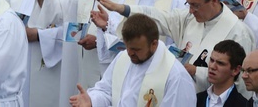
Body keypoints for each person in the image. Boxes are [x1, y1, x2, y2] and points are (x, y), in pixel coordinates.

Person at [94, 0, 255, 92]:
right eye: (189, 5)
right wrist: (123, 9)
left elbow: (241, 80)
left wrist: (195, 71)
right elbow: (159, 17)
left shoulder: (238, 33)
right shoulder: (189, 18)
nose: (191, 11)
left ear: (214, 0)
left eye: (195, 5)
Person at [36, 0, 132, 106]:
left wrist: (99, 41)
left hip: (107, 74)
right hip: (83, 68)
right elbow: (62, 12)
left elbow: (132, 39)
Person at [69, 13, 197, 106]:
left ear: (154, 44)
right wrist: (92, 100)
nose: (130, 53)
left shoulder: (176, 76)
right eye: (127, 47)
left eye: (136, 49)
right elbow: (106, 91)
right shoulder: (123, 57)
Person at [195, 40, 248, 107]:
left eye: (220, 63)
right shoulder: (197, 99)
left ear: (235, 70)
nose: (212, 66)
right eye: (211, 60)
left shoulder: (244, 104)